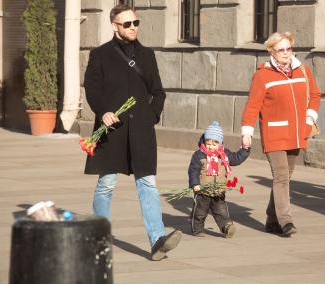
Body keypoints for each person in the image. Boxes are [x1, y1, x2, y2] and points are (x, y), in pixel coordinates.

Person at [83, 4, 181, 261]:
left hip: (141, 131)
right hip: (111, 130)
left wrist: (151, 116)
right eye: (127, 24)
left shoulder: (147, 55)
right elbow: (92, 89)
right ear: (115, 25)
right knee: (106, 184)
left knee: (147, 183)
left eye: (135, 23)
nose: (133, 28)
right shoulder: (100, 55)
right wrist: (103, 111)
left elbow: (158, 92)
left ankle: (157, 240)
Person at [241, 32, 321, 237]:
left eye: (288, 49)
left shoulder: (302, 70)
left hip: (297, 132)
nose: (285, 53)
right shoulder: (263, 75)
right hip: (274, 132)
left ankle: (271, 218)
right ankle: (286, 220)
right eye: (280, 50)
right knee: (281, 175)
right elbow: (252, 106)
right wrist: (247, 131)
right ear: (271, 52)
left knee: (285, 176)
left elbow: (315, 94)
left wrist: (310, 118)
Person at [188, 121, 250, 238]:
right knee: (200, 212)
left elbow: (236, 158)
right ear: (204, 141)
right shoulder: (199, 155)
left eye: (215, 143)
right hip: (203, 191)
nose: (211, 146)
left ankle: (226, 227)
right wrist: (195, 183)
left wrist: (245, 149)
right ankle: (197, 229)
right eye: (208, 143)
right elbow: (193, 170)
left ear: (220, 143)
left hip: (218, 191)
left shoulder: (224, 154)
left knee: (222, 212)